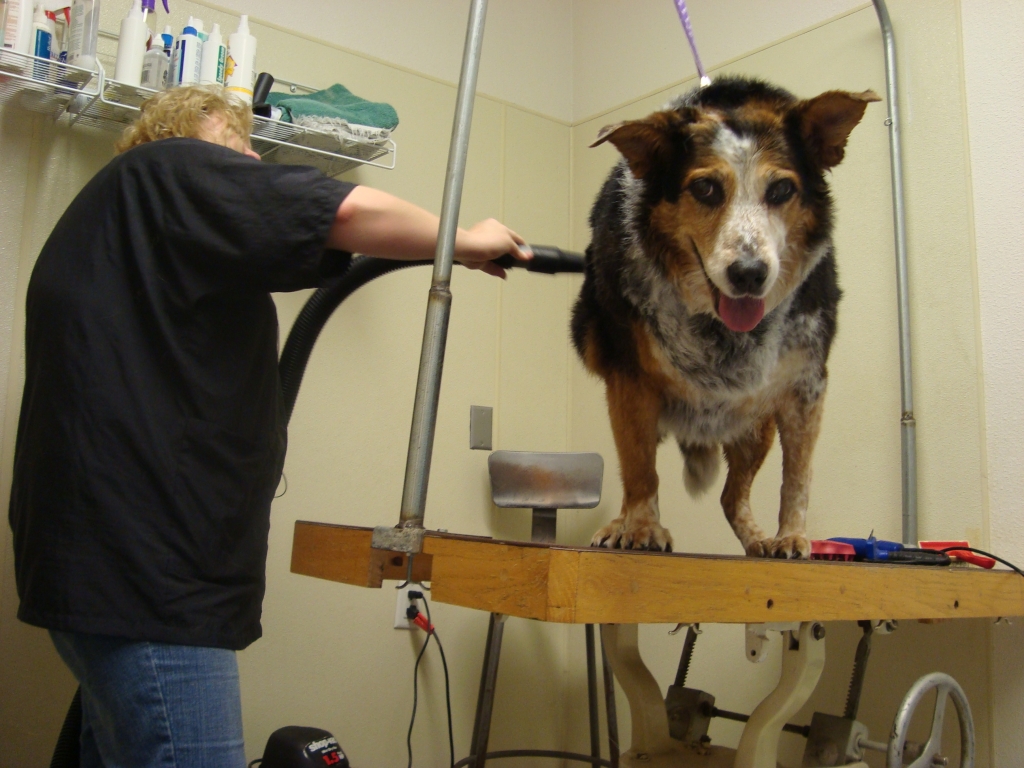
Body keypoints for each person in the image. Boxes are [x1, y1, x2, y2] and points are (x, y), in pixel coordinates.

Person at [8, 85, 528, 768]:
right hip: (150, 582)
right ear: (192, 138)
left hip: (103, 574)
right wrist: (465, 240)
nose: (253, 158)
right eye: (239, 143)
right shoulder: (169, 169)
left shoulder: (120, 221)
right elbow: (340, 210)